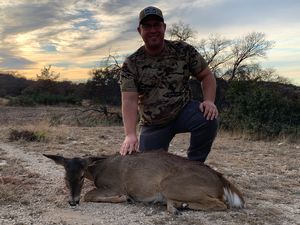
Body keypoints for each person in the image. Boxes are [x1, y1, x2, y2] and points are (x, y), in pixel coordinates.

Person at [119, 6, 218, 162]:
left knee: (208, 118)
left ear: (164, 27)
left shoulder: (184, 50)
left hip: (183, 110)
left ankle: (195, 166)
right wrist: (130, 135)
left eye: (157, 25)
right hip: (153, 123)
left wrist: (209, 101)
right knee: (147, 167)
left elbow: (206, 76)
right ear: (140, 30)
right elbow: (129, 100)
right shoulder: (131, 64)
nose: (153, 30)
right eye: (147, 26)